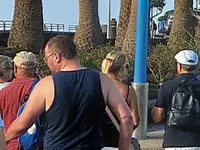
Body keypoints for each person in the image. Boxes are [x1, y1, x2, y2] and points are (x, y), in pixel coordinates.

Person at [5, 35, 133, 150]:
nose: (46, 63)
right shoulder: (102, 80)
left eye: (46, 58)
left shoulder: (46, 84)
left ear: (56, 57)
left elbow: (23, 124)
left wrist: (4, 139)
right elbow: (126, 117)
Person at [152, 50, 200, 149]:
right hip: (196, 142)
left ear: (179, 66)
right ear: (195, 66)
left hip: (172, 142)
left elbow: (157, 117)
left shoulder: (167, 86)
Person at [101, 51, 140, 150]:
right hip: (118, 142)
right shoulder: (128, 90)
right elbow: (135, 121)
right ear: (122, 68)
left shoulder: (95, 86)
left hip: (97, 142)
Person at [0, 53, 36, 150]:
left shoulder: (3, 92)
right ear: (35, 68)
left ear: (15, 68)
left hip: (11, 144)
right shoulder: (44, 88)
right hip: (37, 144)